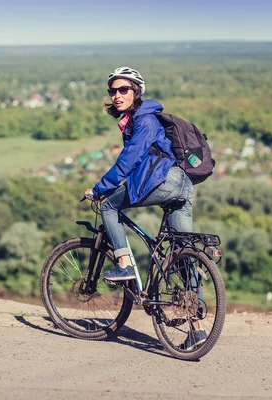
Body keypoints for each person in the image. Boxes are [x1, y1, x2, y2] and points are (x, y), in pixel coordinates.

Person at [84, 67, 204, 350]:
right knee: (181, 253)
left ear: (136, 92)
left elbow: (128, 162)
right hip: (181, 186)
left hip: (165, 181)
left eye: (123, 89)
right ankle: (198, 329)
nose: (116, 95)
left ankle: (124, 266)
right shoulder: (139, 120)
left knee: (110, 206)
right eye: (112, 90)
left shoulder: (145, 120)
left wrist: (100, 188)